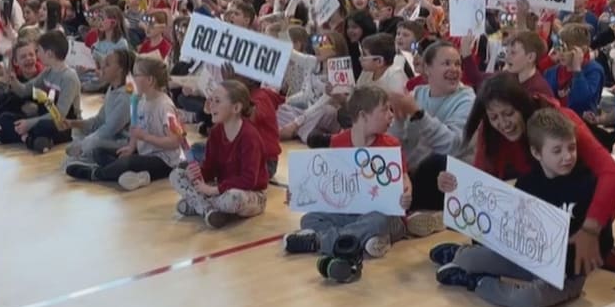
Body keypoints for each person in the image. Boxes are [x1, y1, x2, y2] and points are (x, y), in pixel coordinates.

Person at [420, 74, 615, 274]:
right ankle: (471, 256)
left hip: (579, 203)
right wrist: (454, 186)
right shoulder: (491, 134)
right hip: (543, 211)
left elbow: (612, 173)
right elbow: (479, 185)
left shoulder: (559, 122)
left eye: (508, 113)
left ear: (522, 105)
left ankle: (603, 248)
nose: (503, 123)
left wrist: (591, 229)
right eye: (494, 117)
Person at [430, 109, 612, 307]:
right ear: (536, 153)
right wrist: (453, 186)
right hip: (527, 258)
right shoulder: (527, 183)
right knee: (470, 259)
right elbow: (505, 228)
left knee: (527, 300)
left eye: (572, 148)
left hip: (567, 274)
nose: (567, 156)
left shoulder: (586, 184)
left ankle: (477, 281)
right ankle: (462, 256)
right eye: (557, 150)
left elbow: (602, 237)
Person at [284, 86, 411, 258]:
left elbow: (403, 178)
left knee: (377, 221)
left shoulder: (391, 144)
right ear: (363, 116)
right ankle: (364, 240)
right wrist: (296, 194)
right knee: (309, 219)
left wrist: (406, 192)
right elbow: (325, 184)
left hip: (385, 217)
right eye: (384, 110)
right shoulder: (338, 142)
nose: (391, 115)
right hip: (350, 213)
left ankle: (321, 242)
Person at [386, 41, 474, 219]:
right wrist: (399, 120)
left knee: (436, 162)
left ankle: (426, 215)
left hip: (445, 179)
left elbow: (452, 146)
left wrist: (418, 114)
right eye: (446, 63)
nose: (454, 69)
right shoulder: (416, 94)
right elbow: (394, 144)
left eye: (457, 64)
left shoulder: (467, 99)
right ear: (427, 69)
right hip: (411, 176)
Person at [68, 56, 183, 190]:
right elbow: (136, 128)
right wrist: (131, 146)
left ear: (150, 80)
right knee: (99, 152)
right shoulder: (141, 100)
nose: (132, 79)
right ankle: (128, 174)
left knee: (127, 162)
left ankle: (97, 174)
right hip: (143, 153)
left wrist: (146, 137)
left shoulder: (165, 106)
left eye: (136, 75)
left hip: (164, 161)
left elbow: (175, 141)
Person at [170, 80, 268, 229]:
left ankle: (199, 206)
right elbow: (210, 170)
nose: (211, 105)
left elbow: (249, 180)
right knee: (176, 175)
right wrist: (196, 173)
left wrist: (213, 190)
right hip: (221, 188)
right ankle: (209, 211)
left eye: (217, 101)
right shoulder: (216, 132)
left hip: (249, 194)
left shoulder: (249, 136)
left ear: (236, 107)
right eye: (211, 100)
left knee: (233, 198)